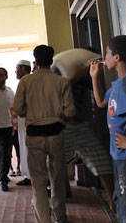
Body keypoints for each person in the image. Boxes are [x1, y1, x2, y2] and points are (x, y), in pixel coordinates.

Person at [13, 45, 75, 223]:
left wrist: (29, 112)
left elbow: (18, 108)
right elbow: (70, 112)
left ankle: (44, 220)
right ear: (51, 60)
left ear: (36, 60)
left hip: (34, 135)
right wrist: (59, 116)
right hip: (56, 133)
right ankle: (60, 216)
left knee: (38, 181)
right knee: (57, 178)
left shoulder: (25, 82)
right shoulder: (62, 82)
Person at [51, 48, 114, 209]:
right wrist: (74, 77)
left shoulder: (85, 76)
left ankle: (113, 200)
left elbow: (96, 97)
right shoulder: (57, 72)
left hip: (81, 126)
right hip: (63, 127)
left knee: (101, 163)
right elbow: (56, 95)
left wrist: (92, 75)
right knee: (54, 167)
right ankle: (55, 205)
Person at [90, 35, 126, 223]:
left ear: (117, 57)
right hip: (118, 154)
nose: (104, 57)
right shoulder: (117, 86)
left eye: (107, 53)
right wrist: (94, 76)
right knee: (122, 198)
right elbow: (100, 102)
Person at [15, 60, 32, 186]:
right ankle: (28, 175)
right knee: (24, 147)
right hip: (23, 121)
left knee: (28, 148)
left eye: (17, 68)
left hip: (28, 120)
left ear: (23, 68)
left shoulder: (28, 81)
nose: (15, 71)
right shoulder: (23, 81)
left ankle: (31, 176)